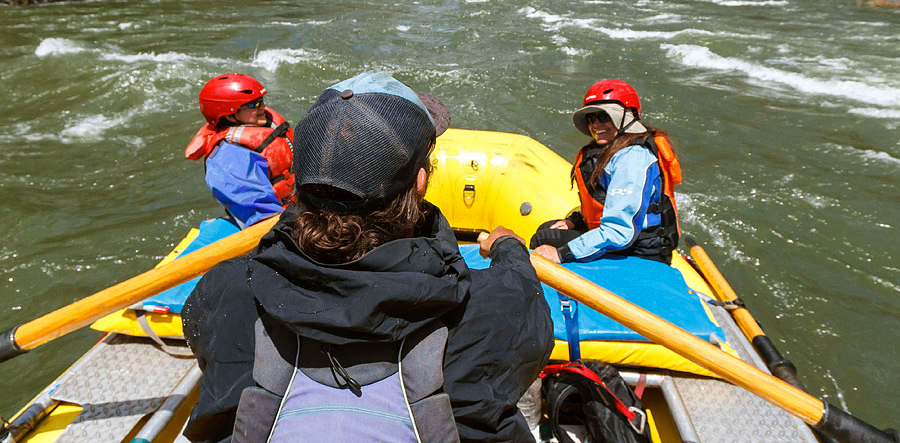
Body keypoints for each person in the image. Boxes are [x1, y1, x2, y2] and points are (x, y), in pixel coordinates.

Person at [182, 71, 553, 443]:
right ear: (421, 182)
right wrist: (509, 250)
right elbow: (527, 325)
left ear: (299, 176)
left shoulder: (228, 289)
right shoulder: (494, 304)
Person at [530, 79, 682, 265]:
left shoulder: (632, 158)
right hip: (624, 241)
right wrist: (576, 220)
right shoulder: (612, 151)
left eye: (604, 117)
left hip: (639, 251)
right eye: (591, 118)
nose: (595, 124)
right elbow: (605, 202)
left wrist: (561, 254)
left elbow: (619, 232)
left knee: (544, 239)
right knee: (548, 229)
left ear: (627, 117)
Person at [185, 73, 294, 228]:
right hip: (274, 219)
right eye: (253, 105)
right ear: (230, 116)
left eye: (261, 101)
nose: (262, 107)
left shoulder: (264, 125)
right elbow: (260, 213)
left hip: (295, 203)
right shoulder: (228, 157)